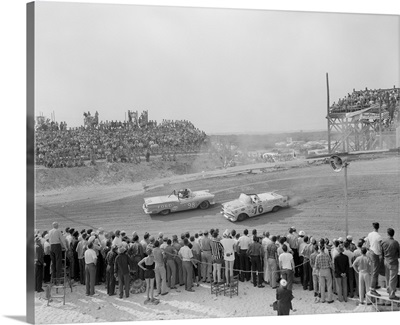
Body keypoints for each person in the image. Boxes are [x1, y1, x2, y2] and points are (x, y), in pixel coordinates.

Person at [381, 228, 400, 300]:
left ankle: (388, 289)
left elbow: (381, 252)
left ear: (387, 234)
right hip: (393, 262)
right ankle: (392, 294)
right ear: (393, 234)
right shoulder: (395, 243)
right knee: (393, 278)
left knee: (387, 276)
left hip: (386, 261)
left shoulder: (383, 242)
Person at [365, 222, 382, 296]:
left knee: (374, 270)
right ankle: (372, 288)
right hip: (375, 254)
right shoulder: (379, 236)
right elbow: (381, 247)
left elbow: (367, 245)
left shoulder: (370, 234)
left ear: (373, 227)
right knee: (375, 271)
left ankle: (375, 285)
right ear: (378, 227)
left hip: (371, 252)